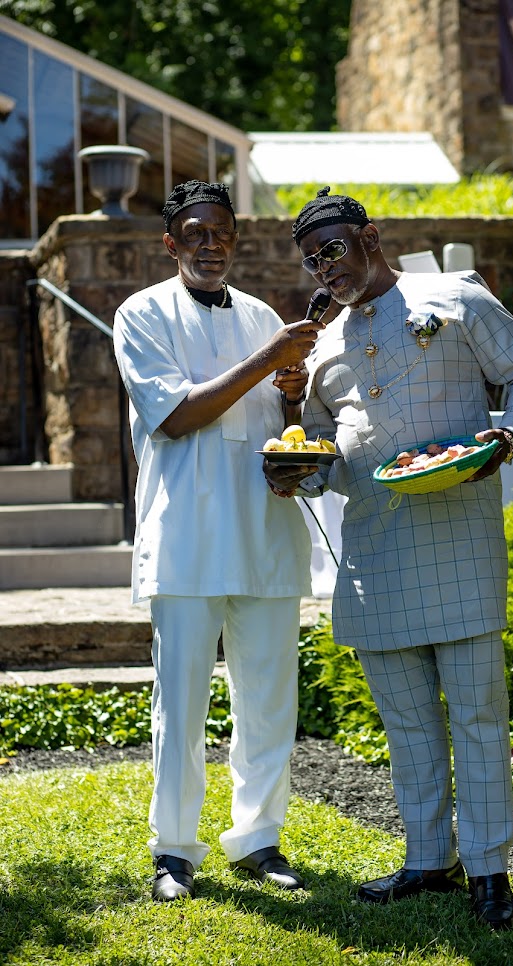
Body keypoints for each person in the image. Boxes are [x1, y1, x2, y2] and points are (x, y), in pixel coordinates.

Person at [263, 187, 513, 930]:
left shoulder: (452, 295)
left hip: (459, 534)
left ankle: (489, 868)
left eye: (332, 249)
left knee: (480, 715)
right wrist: (298, 469)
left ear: (370, 238)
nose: (324, 268)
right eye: (311, 259)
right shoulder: (322, 345)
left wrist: (506, 437)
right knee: (406, 721)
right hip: (373, 550)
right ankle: (430, 859)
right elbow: (327, 454)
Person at [113, 180, 326, 902]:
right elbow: (175, 417)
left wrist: (292, 389)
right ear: (171, 243)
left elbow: (282, 422)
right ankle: (173, 850)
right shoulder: (141, 314)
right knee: (181, 704)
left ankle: (258, 839)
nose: (212, 245)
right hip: (187, 536)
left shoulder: (262, 316)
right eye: (196, 233)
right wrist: (272, 358)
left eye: (223, 233)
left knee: (270, 700)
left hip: (265, 530)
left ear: (235, 239)